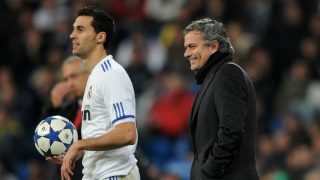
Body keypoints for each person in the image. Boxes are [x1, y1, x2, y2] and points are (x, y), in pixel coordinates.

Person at [47, 6, 140, 180]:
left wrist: (80, 144)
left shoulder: (111, 74)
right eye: (73, 29)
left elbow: (127, 133)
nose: (72, 35)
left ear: (100, 37)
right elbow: (101, 131)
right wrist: (77, 151)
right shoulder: (95, 77)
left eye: (80, 29)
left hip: (114, 174)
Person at [183, 18, 260, 180]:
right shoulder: (211, 79)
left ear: (213, 46)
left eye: (192, 46)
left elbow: (231, 131)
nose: (186, 53)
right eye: (186, 48)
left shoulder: (228, 73)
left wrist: (209, 173)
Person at [42, 55, 88, 180]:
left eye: (73, 76)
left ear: (89, 73)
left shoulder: (101, 105)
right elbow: (45, 135)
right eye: (66, 79)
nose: (70, 84)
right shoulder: (69, 109)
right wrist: (53, 106)